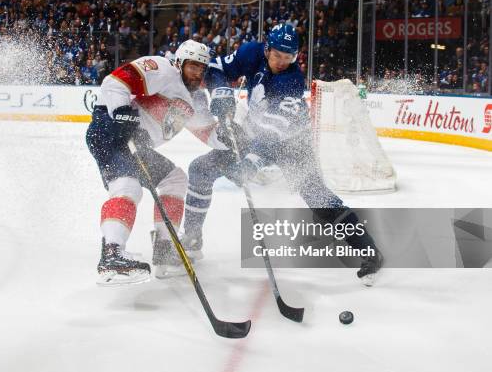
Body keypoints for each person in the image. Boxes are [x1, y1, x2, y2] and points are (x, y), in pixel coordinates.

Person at [181, 24, 383, 285]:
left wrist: (250, 164)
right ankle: (193, 236)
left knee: (319, 199)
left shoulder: (292, 80)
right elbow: (216, 68)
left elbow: (273, 134)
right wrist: (221, 92)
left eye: (289, 57)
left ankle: (370, 251)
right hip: (255, 135)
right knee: (200, 169)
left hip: (292, 146)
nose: (282, 62)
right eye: (277, 55)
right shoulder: (251, 53)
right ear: (267, 49)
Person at [86, 40, 227, 286]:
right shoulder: (163, 69)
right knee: (128, 186)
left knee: (175, 179)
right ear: (180, 63)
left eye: (201, 68)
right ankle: (111, 256)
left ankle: (164, 251)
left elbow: (209, 135)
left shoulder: (195, 101)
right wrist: (122, 114)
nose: (197, 73)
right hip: (110, 132)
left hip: (137, 147)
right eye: (193, 66)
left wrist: (230, 136)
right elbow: (116, 81)